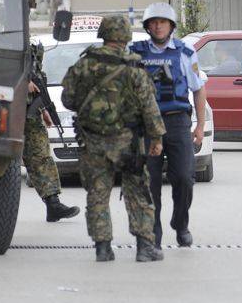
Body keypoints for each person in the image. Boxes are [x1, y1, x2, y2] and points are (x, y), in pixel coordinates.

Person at [62, 15, 166, 262]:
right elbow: (149, 107)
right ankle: (144, 247)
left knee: (97, 194)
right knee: (138, 192)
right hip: (128, 142)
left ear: (104, 34)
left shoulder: (85, 64)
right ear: (126, 36)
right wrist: (157, 138)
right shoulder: (134, 68)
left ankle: (103, 248)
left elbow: (67, 99)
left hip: (93, 141)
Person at [130, 3, 207, 248]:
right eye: (153, 22)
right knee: (149, 183)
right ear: (147, 27)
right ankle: (154, 233)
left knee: (184, 178)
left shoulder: (185, 52)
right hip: (146, 127)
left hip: (177, 122)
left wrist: (200, 126)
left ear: (171, 25)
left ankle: (180, 223)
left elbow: (198, 89)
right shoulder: (136, 53)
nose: (158, 26)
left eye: (163, 22)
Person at [24, 45, 80, 223]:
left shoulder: (27, 43)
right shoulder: (5, 37)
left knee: (41, 155)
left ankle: (53, 204)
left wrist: (42, 109)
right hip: (3, 107)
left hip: (28, 111)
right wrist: (21, 82)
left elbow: (36, 78)